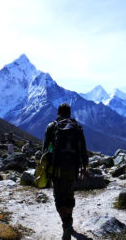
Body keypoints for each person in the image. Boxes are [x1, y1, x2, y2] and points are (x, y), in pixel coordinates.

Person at [43, 103, 88, 240]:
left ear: (58, 113)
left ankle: (66, 223)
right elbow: (83, 148)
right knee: (69, 194)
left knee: (59, 196)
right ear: (69, 113)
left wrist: (46, 166)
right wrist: (84, 167)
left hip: (56, 168)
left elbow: (46, 149)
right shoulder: (77, 128)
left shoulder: (52, 127)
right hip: (73, 167)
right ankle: (69, 221)